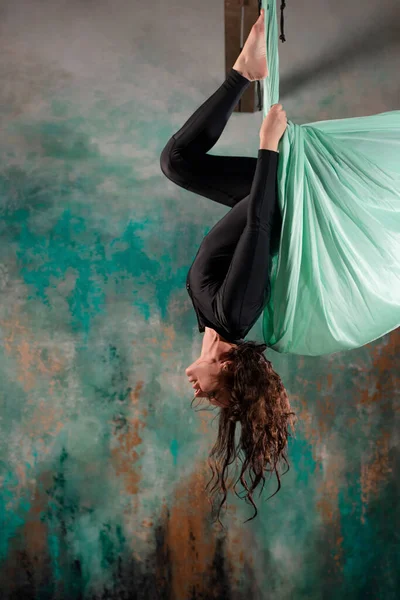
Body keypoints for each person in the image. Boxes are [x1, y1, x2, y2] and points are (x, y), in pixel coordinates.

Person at [160, 9, 294, 523]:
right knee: (178, 163)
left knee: (178, 163)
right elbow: (260, 228)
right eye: (215, 393)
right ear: (230, 367)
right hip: (273, 199)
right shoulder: (234, 315)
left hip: (259, 200)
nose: (201, 393)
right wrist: (268, 147)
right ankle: (242, 70)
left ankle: (244, 69)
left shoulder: (208, 318)